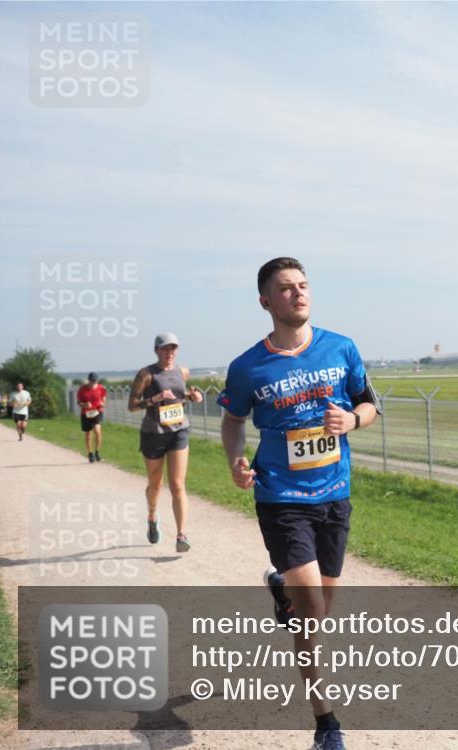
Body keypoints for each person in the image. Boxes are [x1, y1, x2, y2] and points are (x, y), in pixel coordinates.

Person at [218, 257, 381, 750]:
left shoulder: (341, 347)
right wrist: (236, 460)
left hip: (334, 495)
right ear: (266, 301)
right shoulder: (248, 367)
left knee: (320, 609)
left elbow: (370, 404)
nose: (298, 293)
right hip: (281, 498)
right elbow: (233, 421)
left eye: (303, 285)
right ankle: (326, 724)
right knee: (311, 608)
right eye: (287, 288)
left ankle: (282, 591)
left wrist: (352, 421)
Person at [128, 333, 203, 553]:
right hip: (153, 433)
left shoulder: (183, 371)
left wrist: (193, 396)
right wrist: (154, 399)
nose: (169, 352)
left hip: (178, 431)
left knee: (177, 484)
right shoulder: (146, 374)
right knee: (155, 483)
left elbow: (179, 396)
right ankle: (152, 516)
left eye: (173, 348)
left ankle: (182, 535)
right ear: (156, 350)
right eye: (164, 348)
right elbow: (132, 406)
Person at [77, 372, 107, 463]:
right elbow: (78, 402)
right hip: (86, 413)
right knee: (88, 435)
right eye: (92, 381)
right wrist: (84, 405)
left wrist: (103, 404)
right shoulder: (82, 389)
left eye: (95, 381)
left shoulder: (101, 388)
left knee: (97, 431)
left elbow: (104, 398)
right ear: (88, 380)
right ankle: (90, 454)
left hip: (97, 412)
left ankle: (97, 452)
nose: (93, 382)